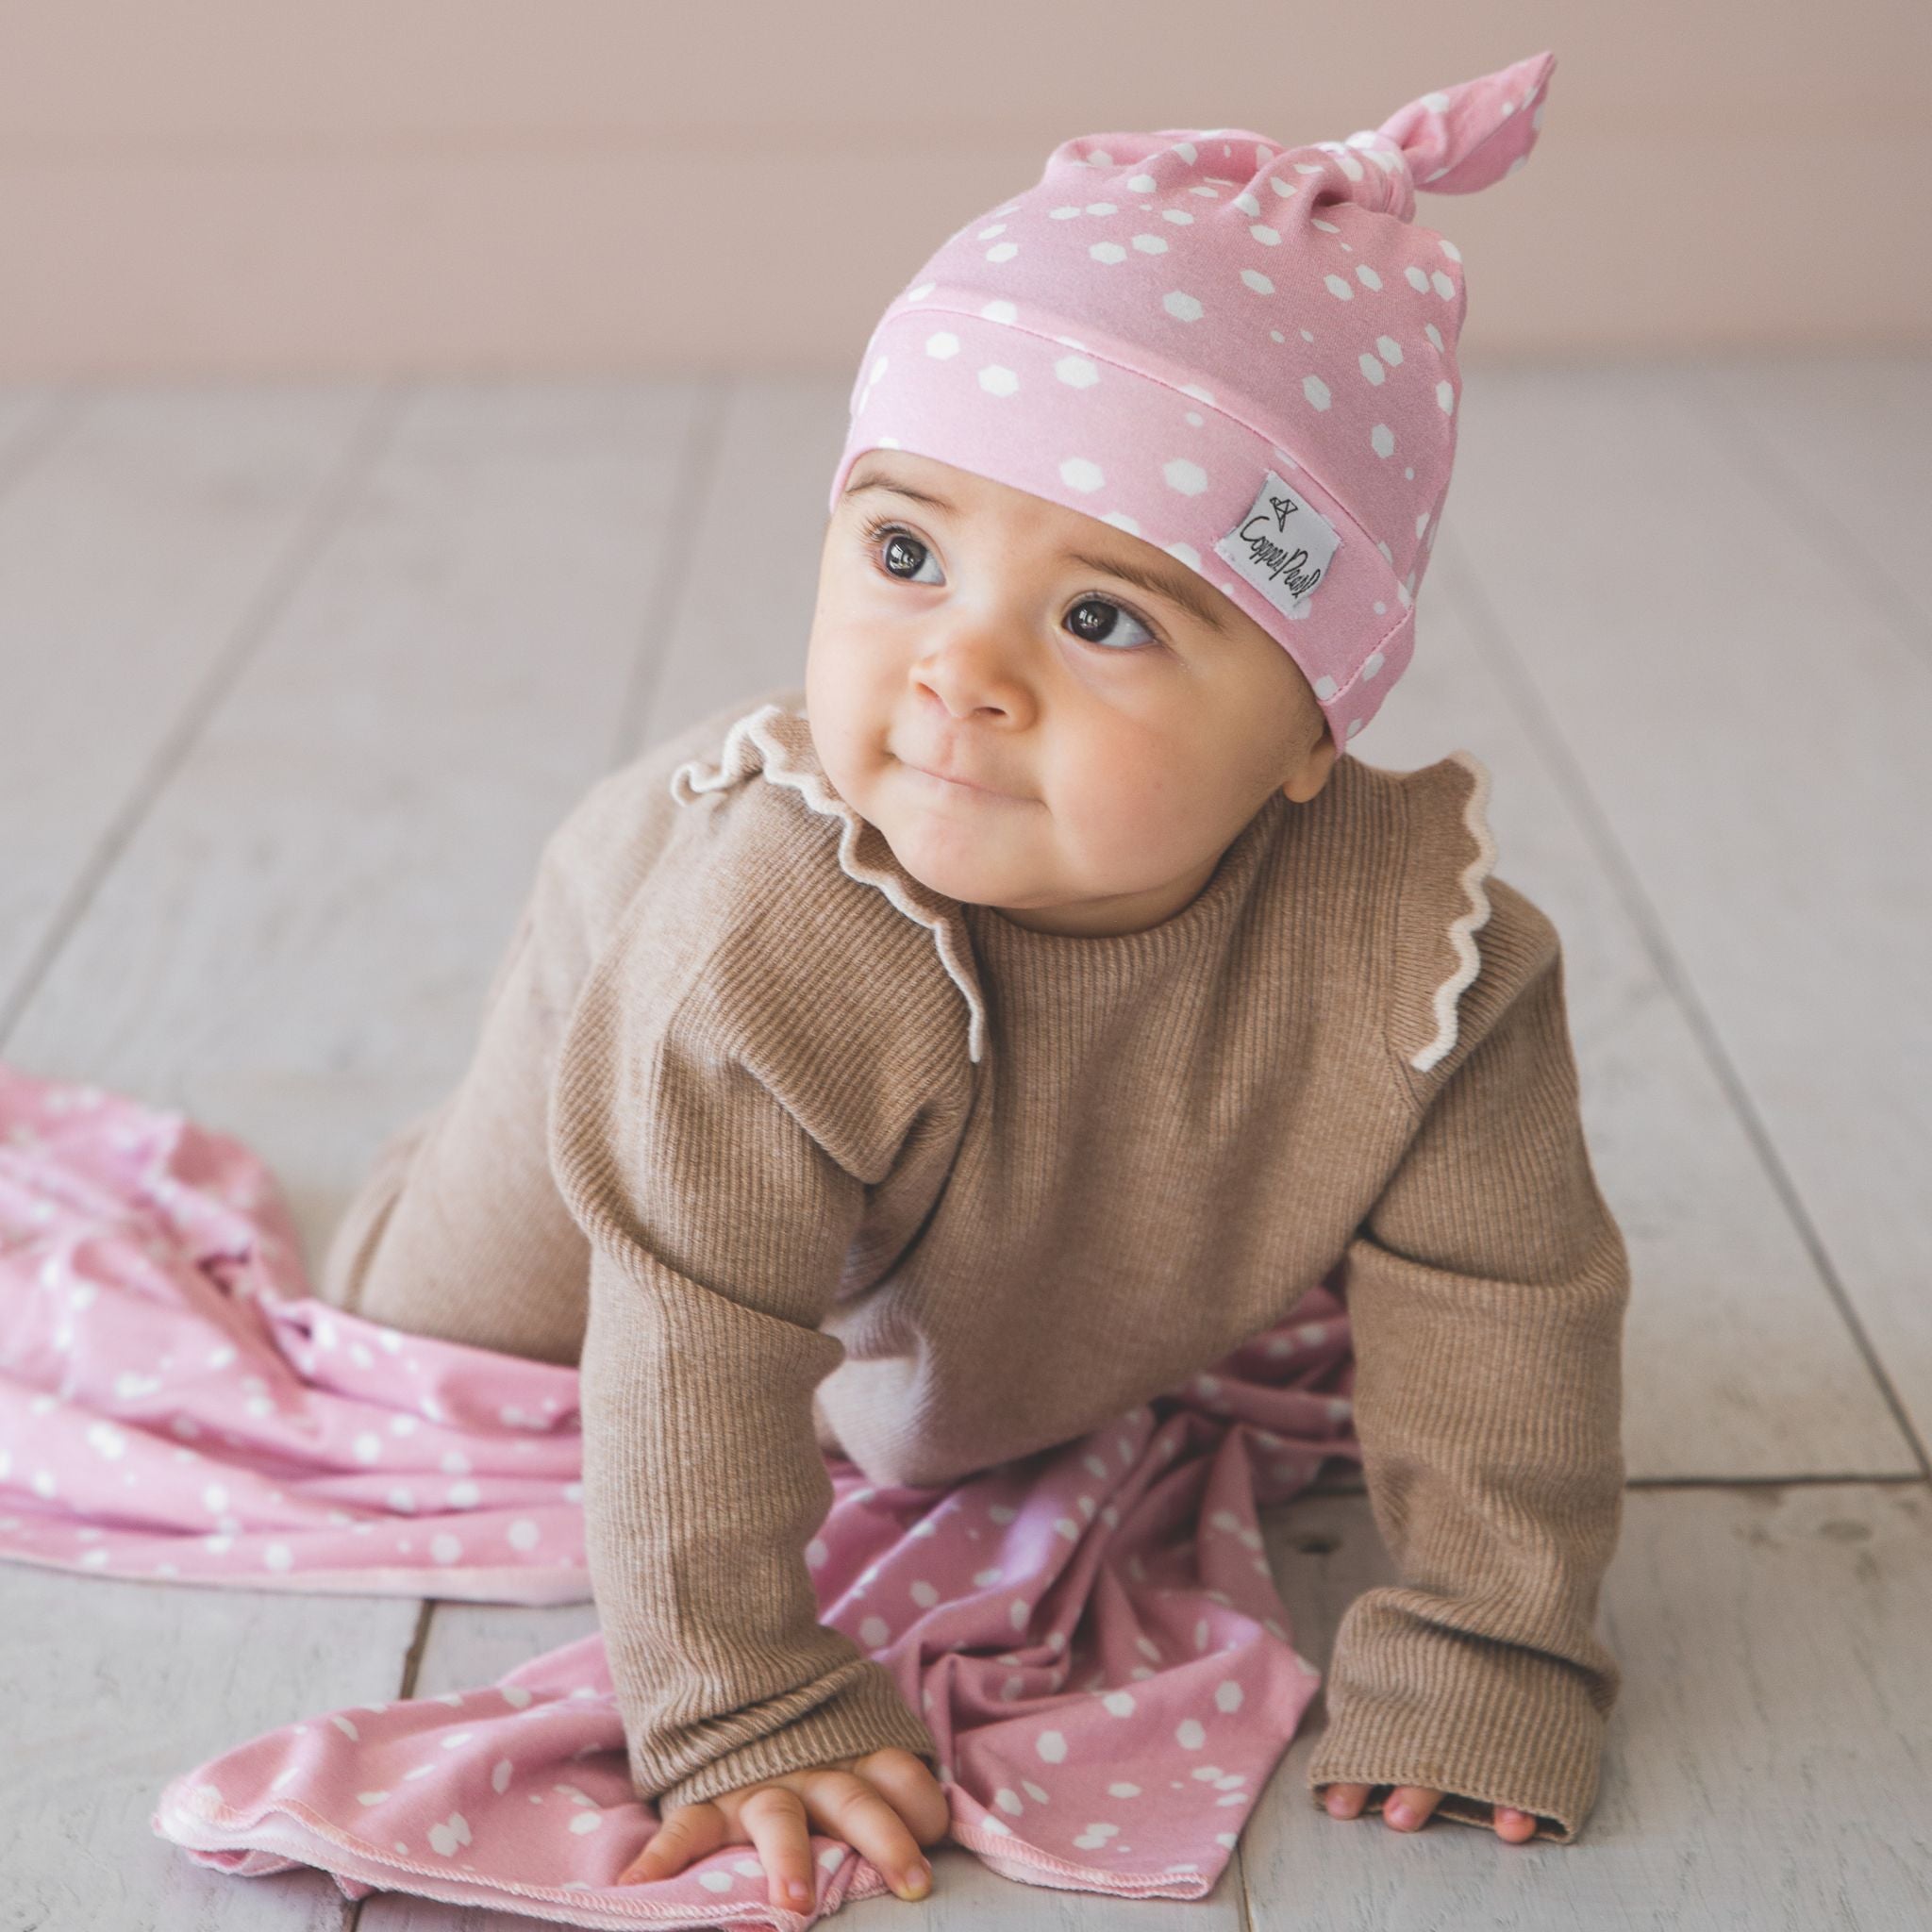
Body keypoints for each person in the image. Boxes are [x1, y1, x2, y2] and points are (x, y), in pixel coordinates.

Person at [320, 47, 1629, 1918]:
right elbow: (695, 1330)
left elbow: (1508, 1315)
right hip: (639, 1042)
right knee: (450, 1319)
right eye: (906, 552)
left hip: (1016, 1157)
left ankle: (937, 1288)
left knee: (977, 1341)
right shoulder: (752, 937)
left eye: (1102, 617)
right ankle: (424, 1202)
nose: (957, 670)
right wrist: (742, 1696)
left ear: (1308, 724)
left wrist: (1487, 1653)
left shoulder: (1423, 970)